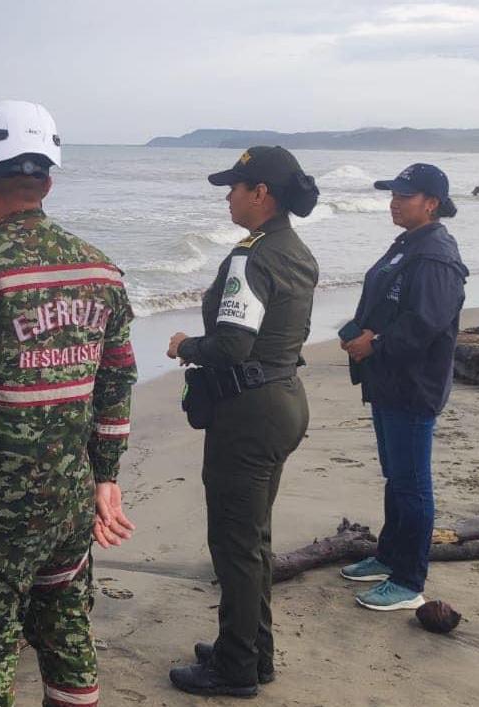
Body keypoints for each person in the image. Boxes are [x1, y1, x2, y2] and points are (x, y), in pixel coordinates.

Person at [0, 100, 139, 707]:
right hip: (70, 502)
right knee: (67, 633)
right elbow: (117, 382)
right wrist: (105, 476)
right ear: (47, 183)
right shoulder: (102, 273)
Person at [165, 146, 320, 698]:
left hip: (249, 413)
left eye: (234, 187)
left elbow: (231, 346)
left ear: (261, 193)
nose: (227, 197)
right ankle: (253, 652)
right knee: (253, 537)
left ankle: (235, 667)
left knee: (234, 542)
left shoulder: (251, 258)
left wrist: (186, 345)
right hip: (283, 399)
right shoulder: (295, 251)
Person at [339, 163, 468, 612]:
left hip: (414, 385)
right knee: (397, 476)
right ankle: (389, 556)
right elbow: (391, 302)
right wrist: (362, 333)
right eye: (392, 194)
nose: (394, 202)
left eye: (404, 195)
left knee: (412, 482)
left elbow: (425, 323)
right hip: (389, 380)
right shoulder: (410, 242)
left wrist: (374, 343)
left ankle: (409, 580)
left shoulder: (436, 255)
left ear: (431, 203)